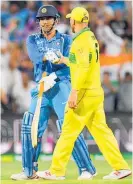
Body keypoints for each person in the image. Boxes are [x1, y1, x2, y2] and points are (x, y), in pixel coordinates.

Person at [37, 7, 131, 180]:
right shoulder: (90, 37)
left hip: (83, 93)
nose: (70, 22)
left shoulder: (80, 41)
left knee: (67, 132)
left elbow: (83, 69)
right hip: (95, 91)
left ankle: (56, 171)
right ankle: (121, 167)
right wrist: (63, 59)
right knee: (102, 132)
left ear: (75, 22)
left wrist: (74, 92)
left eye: (71, 19)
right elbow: (80, 63)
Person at [11, 5, 96, 180]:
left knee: (68, 126)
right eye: (41, 19)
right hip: (41, 87)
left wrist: (54, 76)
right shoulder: (32, 39)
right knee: (30, 125)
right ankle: (29, 171)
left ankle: (86, 169)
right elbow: (35, 58)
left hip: (61, 86)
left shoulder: (67, 40)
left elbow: (71, 65)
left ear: (56, 20)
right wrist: (49, 56)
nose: (44, 21)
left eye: (48, 18)